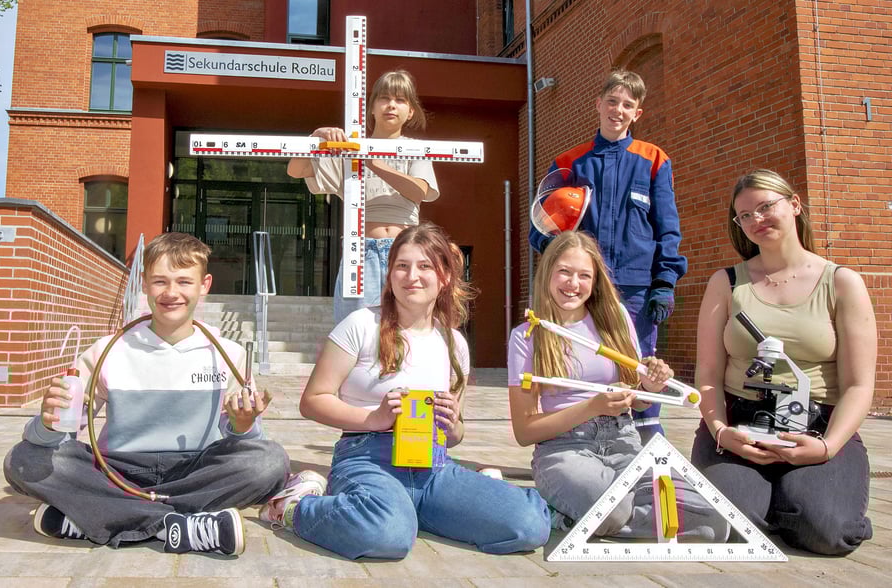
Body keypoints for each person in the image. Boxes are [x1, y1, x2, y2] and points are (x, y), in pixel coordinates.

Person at [3, 232, 319, 556]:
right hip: (117, 470)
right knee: (23, 459)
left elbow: (247, 441)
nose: (171, 293)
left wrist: (243, 424)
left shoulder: (229, 354)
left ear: (204, 285)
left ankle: (99, 517)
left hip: (194, 470)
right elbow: (60, 435)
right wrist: (47, 421)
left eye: (184, 281)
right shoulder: (107, 350)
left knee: (269, 461)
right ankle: (180, 526)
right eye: (160, 282)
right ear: (144, 284)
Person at [257, 223, 551, 559]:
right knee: (388, 537)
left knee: (529, 524)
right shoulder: (360, 325)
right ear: (390, 274)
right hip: (367, 459)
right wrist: (374, 418)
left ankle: (409, 512)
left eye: (425, 266)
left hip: (434, 464)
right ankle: (294, 508)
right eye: (402, 265)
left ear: (445, 277)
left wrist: (453, 423)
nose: (412, 276)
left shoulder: (455, 343)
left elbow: (456, 435)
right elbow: (312, 401)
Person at [691, 169, 875, 555]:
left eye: (765, 207)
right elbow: (707, 374)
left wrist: (827, 448)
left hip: (817, 426)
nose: (756, 220)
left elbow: (859, 385)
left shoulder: (841, 282)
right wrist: (721, 432)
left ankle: (797, 500)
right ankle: (769, 501)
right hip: (739, 423)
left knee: (828, 533)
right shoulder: (727, 283)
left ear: (794, 205)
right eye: (744, 215)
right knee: (725, 524)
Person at [507, 231, 728, 540]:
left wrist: (649, 387)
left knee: (712, 523)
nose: (573, 283)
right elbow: (524, 431)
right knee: (612, 508)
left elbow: (635, 400)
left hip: (625, 441)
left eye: (585, 275)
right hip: (564, 449)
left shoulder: (615, 317)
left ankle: (591, 512)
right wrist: (591, 406)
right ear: (548, 272)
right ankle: (579, 510)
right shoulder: (527, 335)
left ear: (596, 281)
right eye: (565, 272)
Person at [528, 69, 687, 444]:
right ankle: (576, 436)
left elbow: (668, 227)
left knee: (640, 366)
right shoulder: (570, 162)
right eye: (612, 101)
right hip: (582, 287)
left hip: (636, 289)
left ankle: (647, 439)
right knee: (578, 360)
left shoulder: (653, 160)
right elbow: (539, 225)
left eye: (627, 105)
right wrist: (559, 261)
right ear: (598, 105)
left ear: (637, 114)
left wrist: (664, 282)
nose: (618, 110)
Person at [288, 70, 439, 324]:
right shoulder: (350, 149)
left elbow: (419, 191)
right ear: (371, 107)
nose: (391, 105)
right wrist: (316, 137)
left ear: (410, 111)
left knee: (407, 334)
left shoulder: (414, 148)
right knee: (356, 334)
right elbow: (295, 170)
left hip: (405, 253)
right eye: (384, 98)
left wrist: (371, 160)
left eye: (400, 100)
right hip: (361, 252)